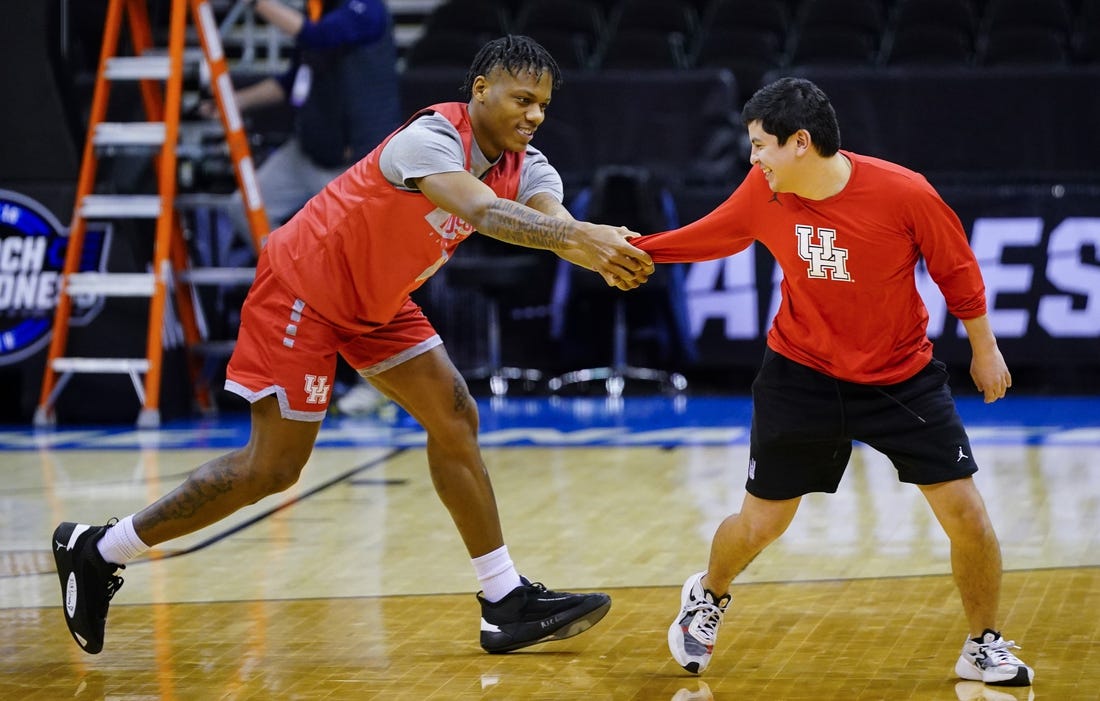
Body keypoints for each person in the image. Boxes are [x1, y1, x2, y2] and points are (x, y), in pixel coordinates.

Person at [52, 35, 654, 656]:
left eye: (544, 106)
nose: (533, 115)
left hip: (378, 303)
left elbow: (549, 217)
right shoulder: (429, 141)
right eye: (522, 99)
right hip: (303, 291)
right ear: (480, 91)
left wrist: (587, 242)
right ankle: (98, 549)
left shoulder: (528, 163)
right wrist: (583, 240)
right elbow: (486, 213)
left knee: (454, 417)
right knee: (274, 469)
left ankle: (504, 601)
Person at [633, 77, 1034, 687]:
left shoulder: (904, 192)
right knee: (760, 525)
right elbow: (709, 235)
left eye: (761, 145)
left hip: (900, 376)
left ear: (801, 143)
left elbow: (957, 268)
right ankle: (707, 594)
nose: (753, 158)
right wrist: (636, 251)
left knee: (968, 516)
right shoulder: (763, 192)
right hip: (802, 376)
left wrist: (986, 348)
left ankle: (982, 644)